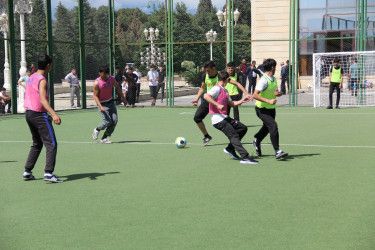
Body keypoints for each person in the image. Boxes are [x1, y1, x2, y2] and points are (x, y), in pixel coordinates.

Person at [22, 54, 63, 183]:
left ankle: (27, 171)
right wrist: (54, 114)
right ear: (48, 65)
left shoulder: (31, 77)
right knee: (51, 143)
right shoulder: (42, 80)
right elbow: (42, 100)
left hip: (28, 113)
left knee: (37, 143)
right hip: (39, 114)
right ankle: (48, 173)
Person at [204, 70, 258, 164]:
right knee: (234, 135)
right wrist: (217, 105)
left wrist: (242, 100)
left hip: (225, 118)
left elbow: (231, 103)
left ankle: (230, 149)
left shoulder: (225, 90)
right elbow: (206, 96)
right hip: (218, 119)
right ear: (226, 80)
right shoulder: (217, 88)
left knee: (242, 128)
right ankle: (245, 157)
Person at [191, 60, 251, 146]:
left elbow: (236, 83)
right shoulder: (205, 76)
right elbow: (202, 88)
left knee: (226, 122)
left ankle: (234, 138)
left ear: (214, 68)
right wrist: (196, 99)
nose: (206, 72)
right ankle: (207, 136)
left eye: (208, 70)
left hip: (221, 102)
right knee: (197, 118)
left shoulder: (221, 75)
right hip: (209, 101)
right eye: (206, 70)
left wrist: (246, 94)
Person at [252, 58, 288, 160]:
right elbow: (255, 95)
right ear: (272, 67)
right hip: (261, 108)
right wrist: (268, 101)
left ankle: (257, 140)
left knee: (267, 127)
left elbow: (275, 91)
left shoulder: (274, 79)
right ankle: (277, 151)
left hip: (271, 108)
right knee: (273, 126)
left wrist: (278, 93)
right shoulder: (263, 80)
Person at [92, 65, 126, 144]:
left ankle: (104, 138)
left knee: (114, 121)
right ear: (99, 73)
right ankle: (97, 129)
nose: (105, 76)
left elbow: (118, 88)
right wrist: (100, 107)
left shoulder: (111, 79)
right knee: (107, 121)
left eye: (107, 74)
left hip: (111, 103)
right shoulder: (97, 83)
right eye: (104, 74)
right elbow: (95, 96)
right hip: (102, 104)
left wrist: (123, 98)